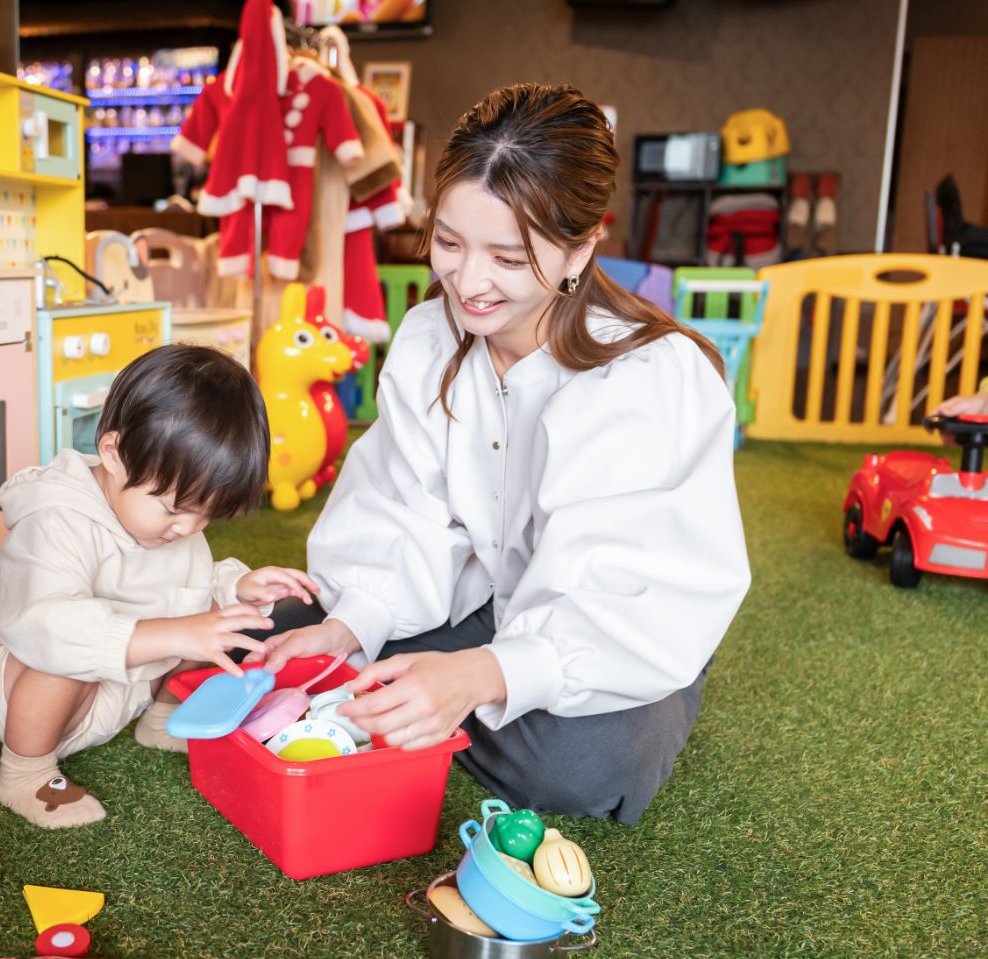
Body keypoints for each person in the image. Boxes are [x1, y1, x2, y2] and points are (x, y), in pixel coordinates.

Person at [250, 83, 752, 824]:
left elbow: (628, 585)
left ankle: (427, 694)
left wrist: (482, 673)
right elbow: (404, 505)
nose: (468, 282)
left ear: (582, 248)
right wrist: (354, 621)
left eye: (508, 258)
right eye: (449, 243)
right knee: (287, 629)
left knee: (583, 767)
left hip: (620, 625)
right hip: (483, 594)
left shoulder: (650, 377)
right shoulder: (430, 337)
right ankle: (419, 690)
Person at [0, 345, 318, 829]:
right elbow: (48, 629)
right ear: (114, 454)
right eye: (175, 509)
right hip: (26, 695)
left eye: (207, 515)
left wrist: (238, 587)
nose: (190, 528)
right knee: (72, 648)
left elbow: (192, 581)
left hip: (123, 689)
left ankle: (162, 720)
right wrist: (177, 633)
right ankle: (25, 772)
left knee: (210, 618)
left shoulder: (166, 516)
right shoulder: (56, 520)